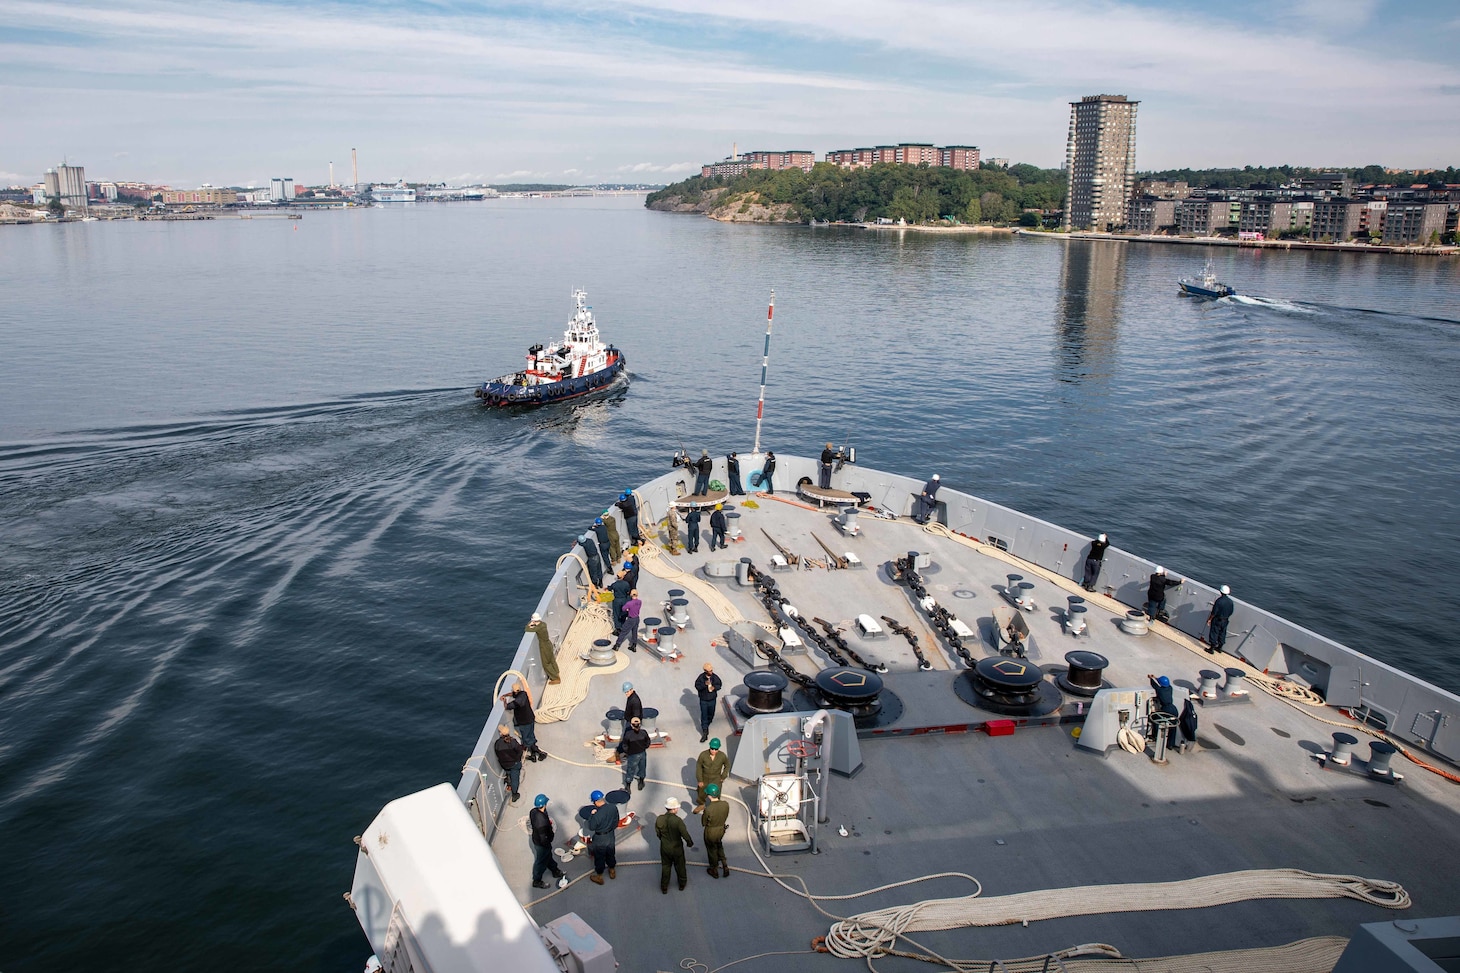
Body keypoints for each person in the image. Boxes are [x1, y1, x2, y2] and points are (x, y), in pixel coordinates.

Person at [656, 798, 695, 893]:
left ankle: (664, 886)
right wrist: (689, 843)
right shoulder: (678, 821)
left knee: (666, 866)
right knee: (680, 866)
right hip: (677, 848)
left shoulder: (660, 819)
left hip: (665, 847)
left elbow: (658, 834)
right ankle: (682, 884)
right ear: (674, 809)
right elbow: (684, 834)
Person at [529, 794, 568, 889]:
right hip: (542, 843)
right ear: (544, 804)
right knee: (540, 861)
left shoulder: (533, 811)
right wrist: (548, 843)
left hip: (537, 839)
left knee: (548, 856)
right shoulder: (541, 821)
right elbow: (543, 837)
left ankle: (555, 870)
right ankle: (537, 880)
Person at [502, 680, 546, 761]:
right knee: (530, 734)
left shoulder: (517, 702)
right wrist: (506, 694)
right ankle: (534, 753)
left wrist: (504, 700)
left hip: (524, 722)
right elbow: (515, 694)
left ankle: (538, 752)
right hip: (530, 718)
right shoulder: (523, 694)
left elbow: (507, 706)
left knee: (526, 738)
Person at [584, 789, 619, 884]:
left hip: (600, 838)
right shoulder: (613, 807)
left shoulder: (597, 815)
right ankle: (612, 870)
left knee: (599, 857)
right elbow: (616, 822)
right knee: (611, 853)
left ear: (595, 801)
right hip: (610, 835)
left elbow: (591, 827)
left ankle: (599, 876)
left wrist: (592, 815)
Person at [698, 782, 730, 879]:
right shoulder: (725, 804)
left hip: (711, 831)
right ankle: (725, 865)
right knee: (719, 845)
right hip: (721, 829)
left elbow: (703, 822)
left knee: (711, 850)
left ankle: (714, 869)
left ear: (709, 795)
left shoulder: (708, 809)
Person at [694, 737, 729, 811]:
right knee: (701, 792)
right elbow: (699, 767)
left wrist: (723, 776)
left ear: (718, 748)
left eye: (716, 749)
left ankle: (715, 807)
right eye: (712, 748)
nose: (713, 750)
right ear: (709, 747)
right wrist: (700, 780)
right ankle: (701, 804)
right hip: (704, 777)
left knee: (716, 793)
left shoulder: (722, 756)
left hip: (716, 778)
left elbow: (727, 766)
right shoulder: (703, 755)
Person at [493, 724, 525, 804]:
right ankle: (515, 794)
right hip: (514, 763)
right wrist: (517, 760)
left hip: (504, 764)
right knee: (515, 778)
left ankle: (509, 782)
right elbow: (519, 751)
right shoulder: (513, 742)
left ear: (501, 733)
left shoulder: (497, 743)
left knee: (509, 773)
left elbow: (497, 753)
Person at [617, 716, 650, 792]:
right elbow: (648, 742)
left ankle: (628, 786)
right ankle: (641, 782)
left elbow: (625, 745)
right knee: (642, 767)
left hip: (632, 755)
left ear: (631, 725)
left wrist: (628, 752)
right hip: (642, 753)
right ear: (640, 724)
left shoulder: (628, 734)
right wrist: (644, 747)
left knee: (631, 770)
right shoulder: (643, 732)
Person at [1147, 674, 1180, 750]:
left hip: (1166, 709)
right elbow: (1160, 682)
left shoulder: (1160, 690)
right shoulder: (1170, 688)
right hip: (1174, 709)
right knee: (1173, 725)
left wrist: (1151, 678)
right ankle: (1170, 744)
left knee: (1155, 718)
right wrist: (1155, 677)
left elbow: (1154, 684)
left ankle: (1155, 736)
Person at [526, 612, 560, 684]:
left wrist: (530, 625)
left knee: (546, 664)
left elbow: (527, 629)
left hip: (544, 646)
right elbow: (538, 626)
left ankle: (555, 678)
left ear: (534, 620)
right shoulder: (543, 624)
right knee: (551, 659)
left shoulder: (538, 628)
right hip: (548, 643)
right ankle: (556, 672)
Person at [693, 664, 722, 743]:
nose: (711, 672)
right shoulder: (701, 678)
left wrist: (714, 688)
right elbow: (697, 686)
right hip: (704, 700)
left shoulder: (715, 677)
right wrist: (704, 685)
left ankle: (708, 723)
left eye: (711, 670)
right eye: (709, 671)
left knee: (711, 714)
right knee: (704, 715)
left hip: (712, 699)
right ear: (705, 671)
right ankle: (705, 731)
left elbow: (719, 685)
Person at [1206, 584, 1234, 655]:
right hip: (1225, 620)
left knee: (1214, 632)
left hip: (1217, 619)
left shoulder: (1219, 601)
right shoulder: (1230, 602)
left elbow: (1214, 612)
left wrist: (1209, 619)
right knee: (1222, 633)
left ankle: (1212, 648)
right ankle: (1220, 647)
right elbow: (1231, 611)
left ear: (1220, 592)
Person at [611, 589, 641, 653]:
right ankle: (634, 646)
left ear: (631, 595)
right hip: (637, 619)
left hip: (631, 619)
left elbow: (623, 608)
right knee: (634, 632)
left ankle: (617, 645)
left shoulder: (629, 603)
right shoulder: (639, 602)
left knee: (623, 632)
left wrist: (628, 609)